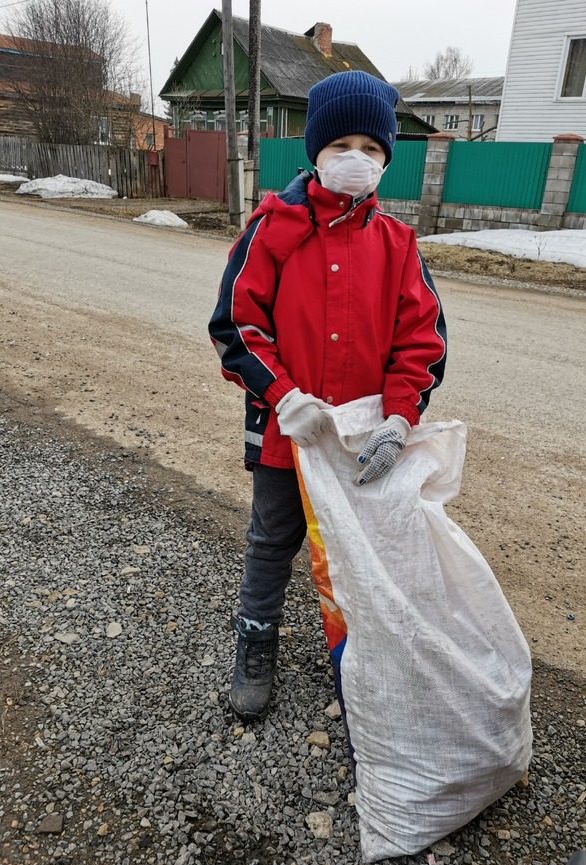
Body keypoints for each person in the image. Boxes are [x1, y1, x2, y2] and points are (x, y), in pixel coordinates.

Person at [208, 70, 447, 722]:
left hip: (364, 442)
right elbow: (235, 325)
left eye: (372, 149)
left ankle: (367, 659)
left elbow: (420, 343)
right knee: (273, 538)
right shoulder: (275, 227)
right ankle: (254, 644)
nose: (357, 159)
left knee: (363, 548)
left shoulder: (398, 246)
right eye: (343, 144)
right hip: (290, 430)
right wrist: (285, 398)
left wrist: (399, 419)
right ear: (315, 150)